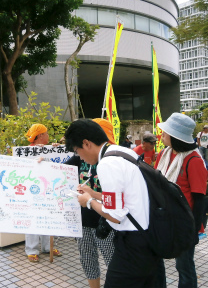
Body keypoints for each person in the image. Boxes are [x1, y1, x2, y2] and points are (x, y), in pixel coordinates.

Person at [64, 119, 159, 287]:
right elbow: (123, 198)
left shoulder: (107, 163)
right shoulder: (121, 152)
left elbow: (115, 216)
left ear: (86, 143)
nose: (79, 156)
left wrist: (89, 201)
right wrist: (93, 194)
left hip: (133, 243)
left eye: (78, 150)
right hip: (148, 236)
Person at [154, 113, 207, 288]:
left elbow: (199, 199)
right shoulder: (163, 154)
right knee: (156, 260)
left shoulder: (194, 160)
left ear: (176, 137)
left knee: (184, 266)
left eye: (165, 133)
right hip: (163, 219)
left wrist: (194, 230)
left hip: (184, 222)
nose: (161, 135)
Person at [65, 118, 115, 288]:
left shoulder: (110, 160)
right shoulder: (80, 157)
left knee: (113, 260)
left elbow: (115, 199)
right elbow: (58, 171)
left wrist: (92, 196)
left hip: (106, 220)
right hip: (84, 221)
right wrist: (41, 161)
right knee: (87, 259)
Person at [24, 123, 62, 262]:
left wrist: (57, 151)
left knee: (49, 217)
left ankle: (48, 247)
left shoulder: (49, 149)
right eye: (46, 133)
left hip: (49, 190)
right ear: (40, 135)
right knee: (33, 218)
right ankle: (32, 250)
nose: (48, 136)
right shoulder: (26, 151)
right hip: (32, 191)